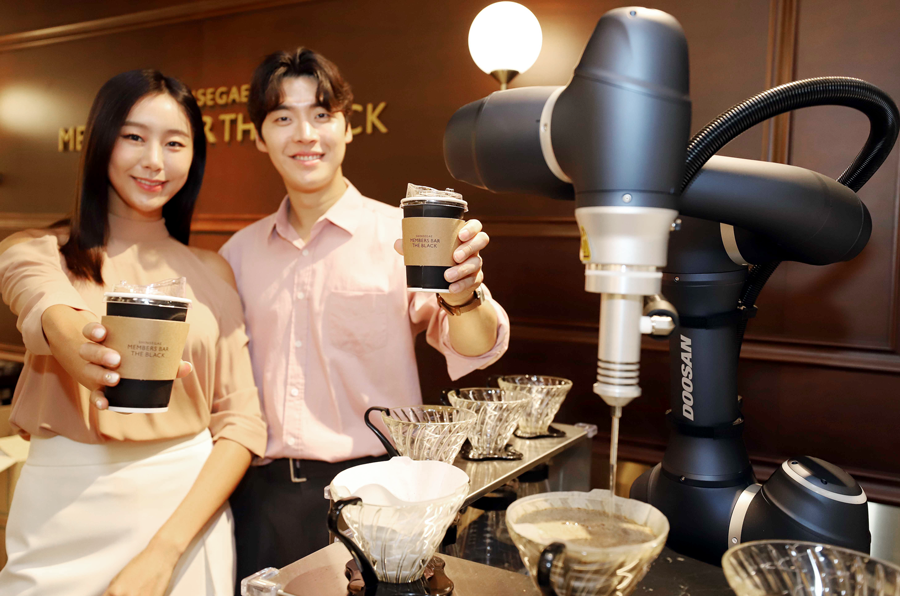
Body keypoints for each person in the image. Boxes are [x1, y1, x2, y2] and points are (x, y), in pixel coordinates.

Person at [221, 47, 510, 584]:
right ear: (259, 137)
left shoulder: (401, 235)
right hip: (262, 497)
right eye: (283, 118)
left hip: (379, 493)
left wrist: (465, 295)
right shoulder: (236, 254)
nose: (305, 134)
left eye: (321, 114)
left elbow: (472, 344)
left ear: (347, 127)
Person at [0, 70, 267, 596]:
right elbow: (44, 302)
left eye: (175, 143)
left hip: (185, 513)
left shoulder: (213, 271)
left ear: (195, 156)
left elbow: (241, 422)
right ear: (102, 141)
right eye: (134, 137)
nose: (154, 161)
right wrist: (74, 338)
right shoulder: (37, 251)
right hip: (61, 512)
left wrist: (164, 552)